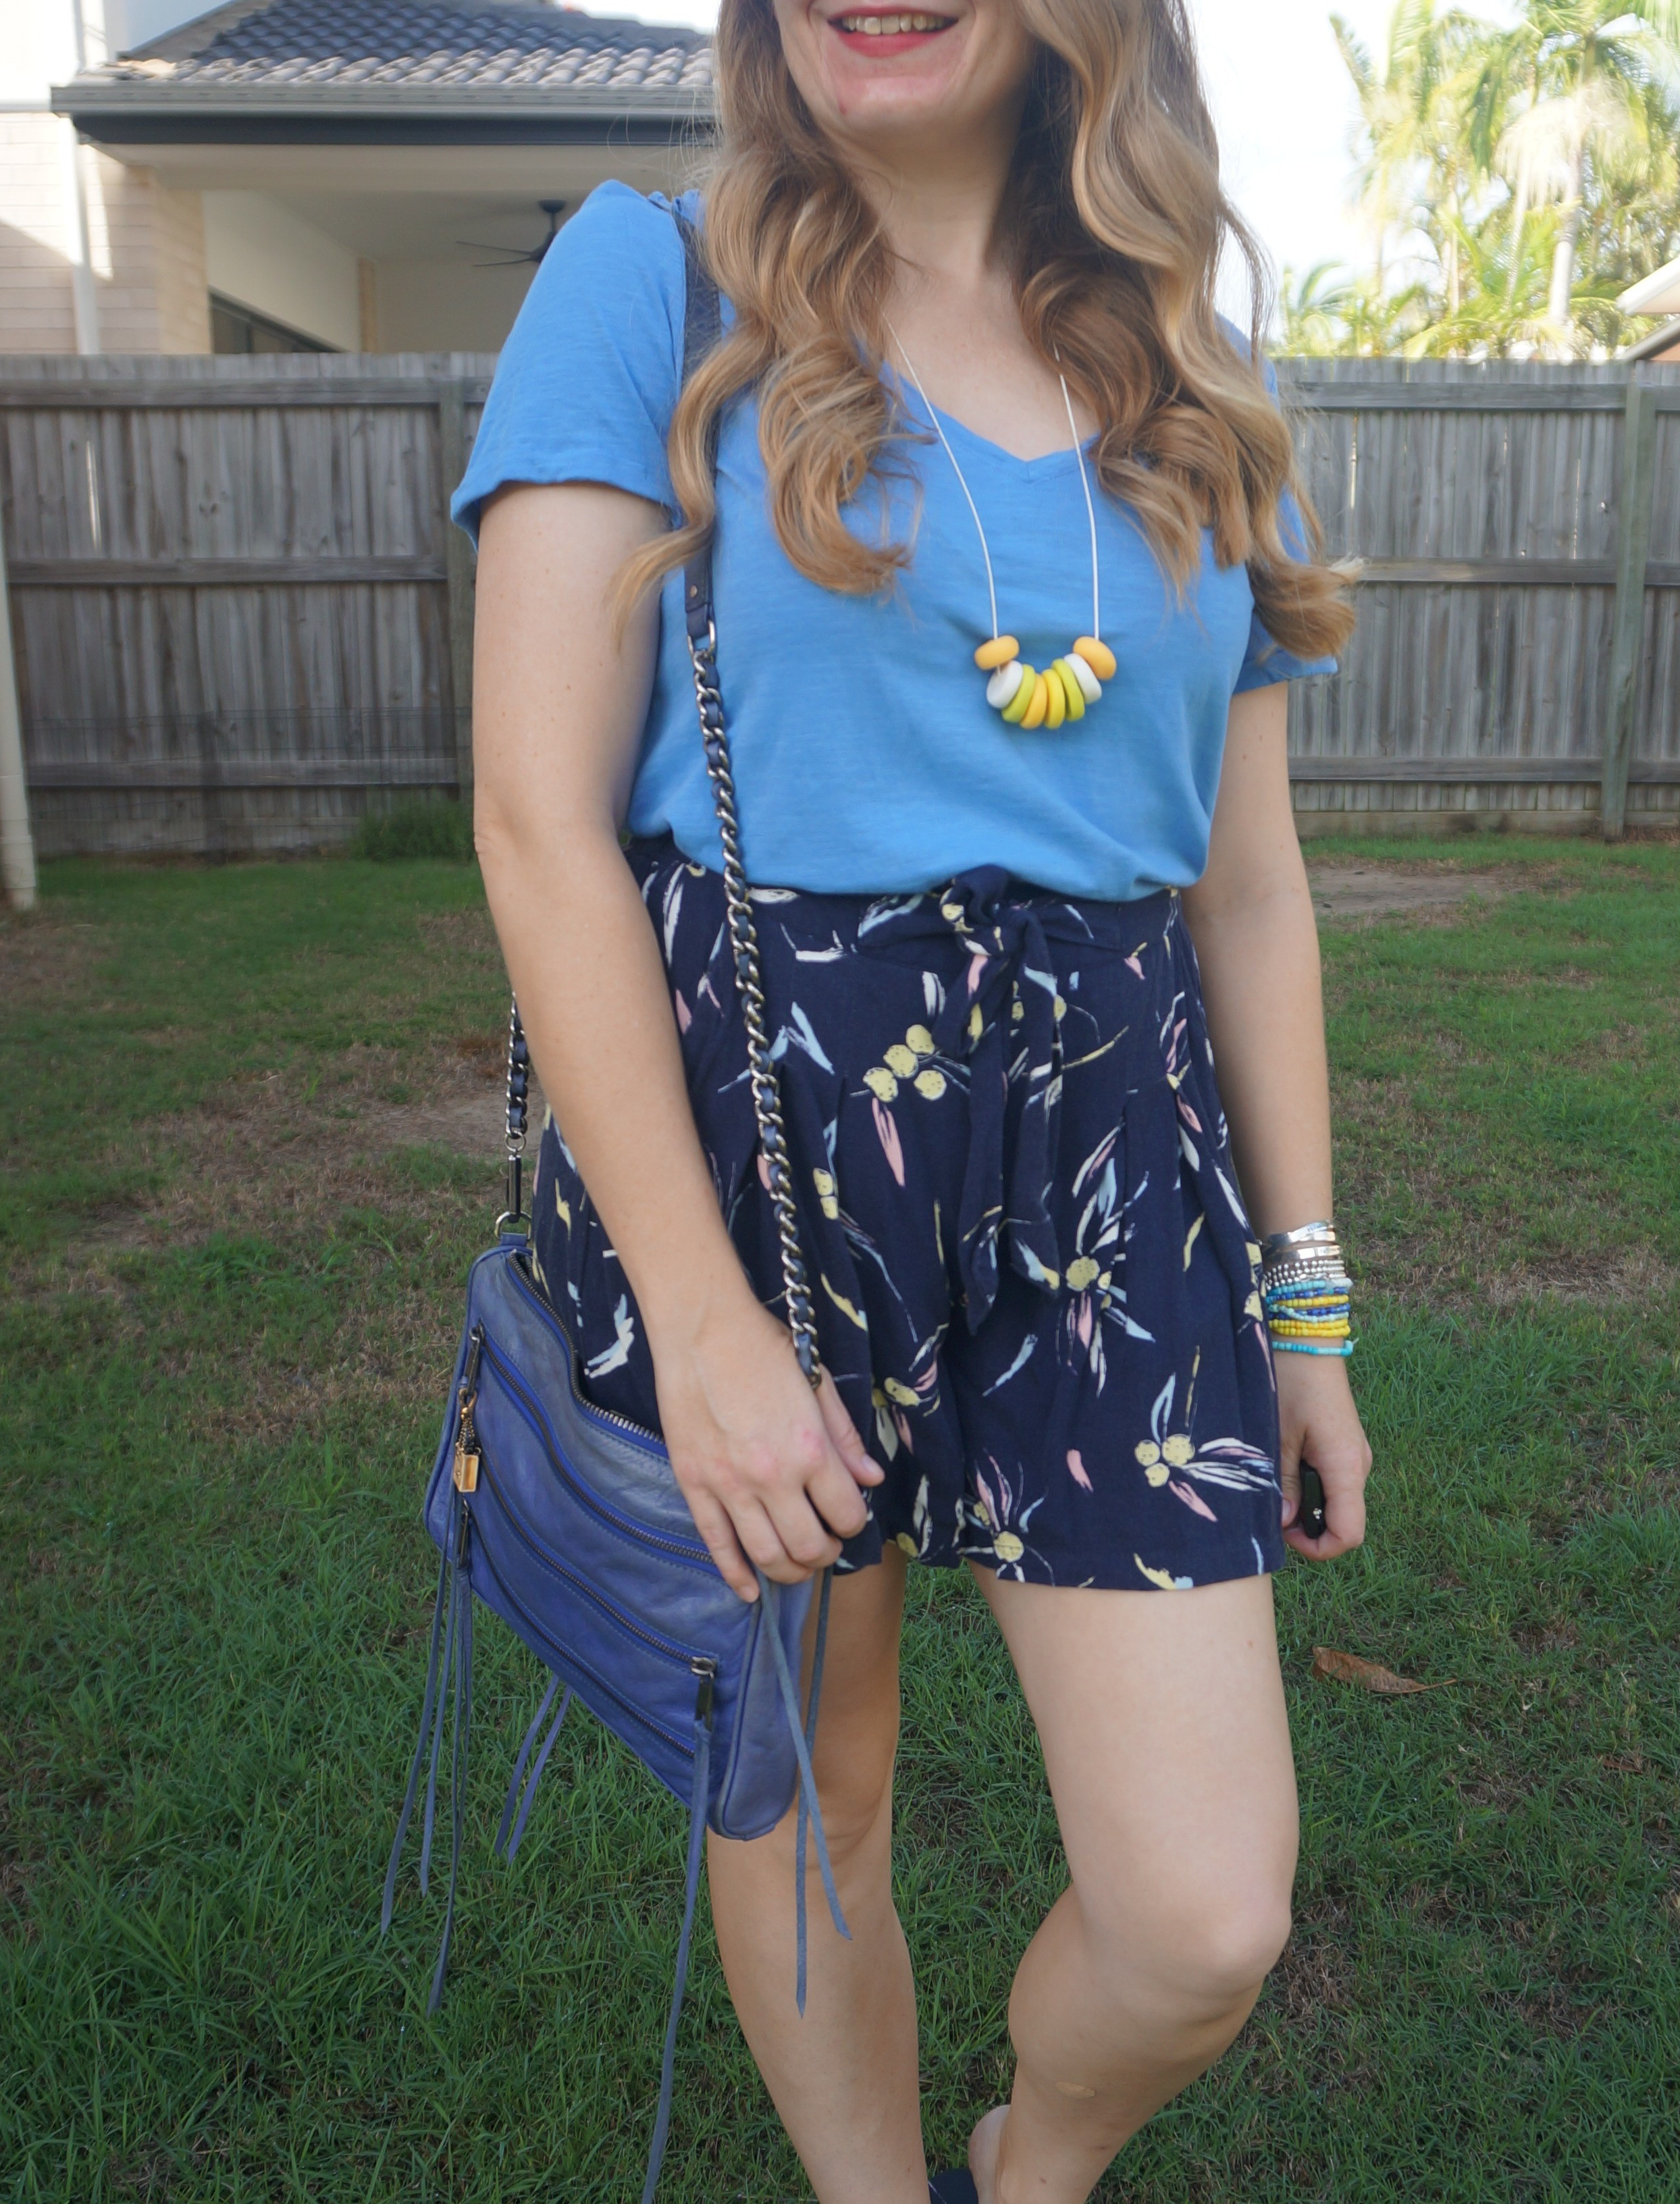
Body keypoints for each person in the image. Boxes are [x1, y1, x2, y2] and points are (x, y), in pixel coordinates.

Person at [455, 3, 1371, 2196]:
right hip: (763, 1151)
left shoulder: (1189, 375)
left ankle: (1026, 2166)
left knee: (1203, 1910)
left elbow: (1246, 895)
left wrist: (1311, 1311)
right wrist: (693, 1317)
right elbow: (534, 821)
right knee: (815, 1787)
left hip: (1110, 1171)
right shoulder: (647, 282)